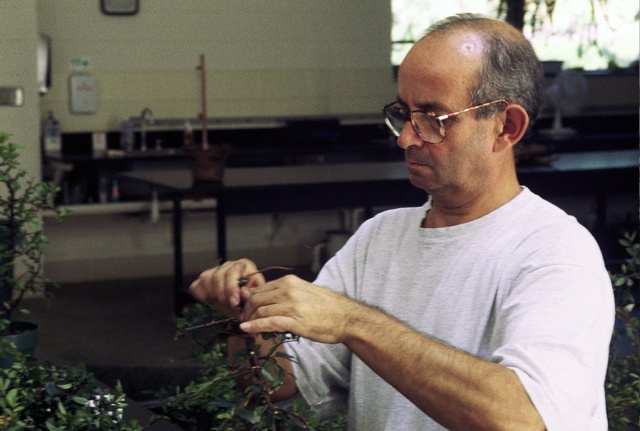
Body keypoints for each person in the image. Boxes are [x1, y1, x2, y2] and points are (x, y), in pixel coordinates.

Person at [189, 13, 615, 431]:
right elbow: (276, 382)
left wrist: (355, 322)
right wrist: (244, 316)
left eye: (434, 119)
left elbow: (523, 419)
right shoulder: (380, 239)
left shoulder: (556, 251)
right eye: (404, 114)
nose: (406, 138)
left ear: (506, 127)